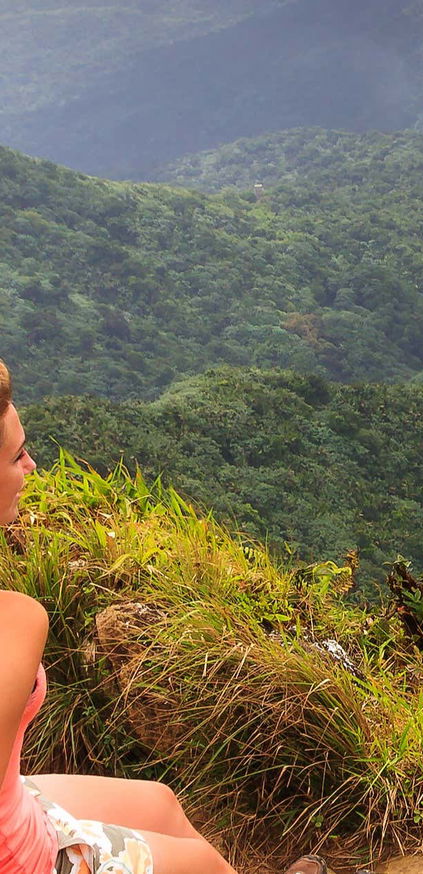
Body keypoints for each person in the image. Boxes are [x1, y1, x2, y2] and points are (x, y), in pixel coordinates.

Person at [0, 360, 326, 874]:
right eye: (18, 454)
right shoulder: (15, 623)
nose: (32, 466)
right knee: (202, 864)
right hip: (23, 857)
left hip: (13, 800)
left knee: (159, 803)